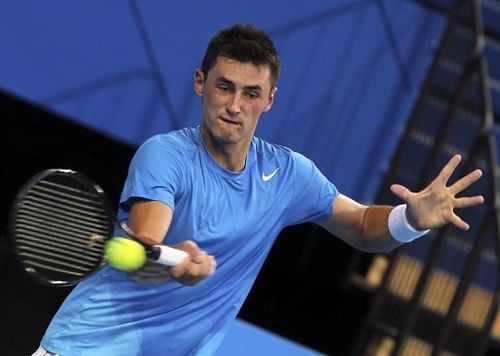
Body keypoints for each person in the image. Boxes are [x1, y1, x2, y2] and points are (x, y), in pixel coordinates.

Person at [34, 23, 484, 355]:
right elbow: (143, 245)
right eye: (224, 87)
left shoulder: (288, 175)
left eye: (251, 93)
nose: (234, 106)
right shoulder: (165, 156)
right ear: (200, 84)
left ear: (269, 100)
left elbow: (364, 226)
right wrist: (172, 265)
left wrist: (411, 220)